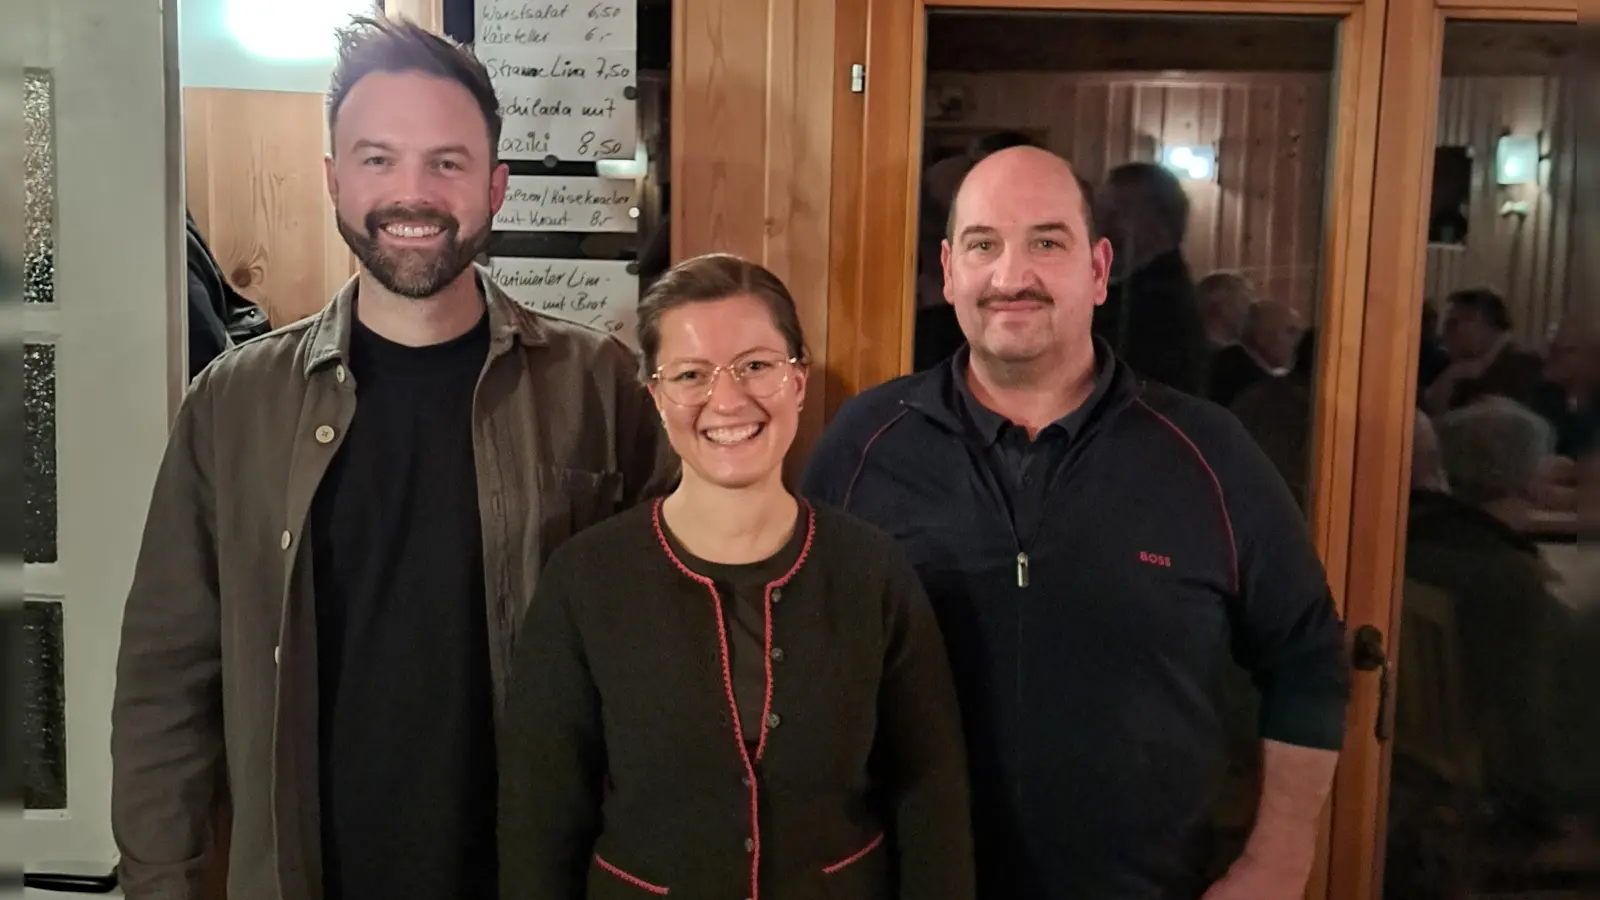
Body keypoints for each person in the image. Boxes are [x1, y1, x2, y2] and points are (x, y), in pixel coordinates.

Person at [110, 17, 670, 900]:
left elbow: (671, 650)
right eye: (377, 159)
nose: (412, 193)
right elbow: (166, 686)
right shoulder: (233, 404)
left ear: (496, 187)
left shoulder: (597, 387)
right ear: (333, 179)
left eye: (446, 163)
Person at [802, 145, 1349, 900]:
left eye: (1046, 242)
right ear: (950, 269)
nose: (1011, 275)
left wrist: (1279, 860)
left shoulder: (1206, 452)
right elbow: (794, 655)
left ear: (1097, 270)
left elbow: (1309, 657)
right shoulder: (865, 443)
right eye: (984, 244)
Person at [501, 253, 974, 900]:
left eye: (756, 366)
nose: (727, 400)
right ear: (657, 398)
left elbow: (932, 800)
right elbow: (539, 824)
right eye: (691, 374)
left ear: (799, 380)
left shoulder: (873, 570)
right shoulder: (585, 581)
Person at [1091, 161, 1209, 395]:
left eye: (1117, 213)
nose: (1103, 226)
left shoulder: (1155, 302)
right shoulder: (1143, 290)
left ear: (1158, 221)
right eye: (1102, 213)